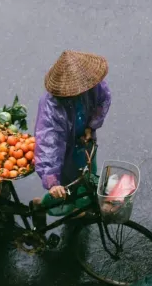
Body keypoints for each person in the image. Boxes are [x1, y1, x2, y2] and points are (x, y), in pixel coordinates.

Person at [32, 50, 111, 220]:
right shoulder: (51, 107)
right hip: (65, 149)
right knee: (66, 186)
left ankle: (81, 207)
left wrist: (91, 127)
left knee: (87, 176)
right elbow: (48, 142)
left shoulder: (94, 85)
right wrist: (51, 180)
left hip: (84, 141)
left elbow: (103, 101)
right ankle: (42, 205)